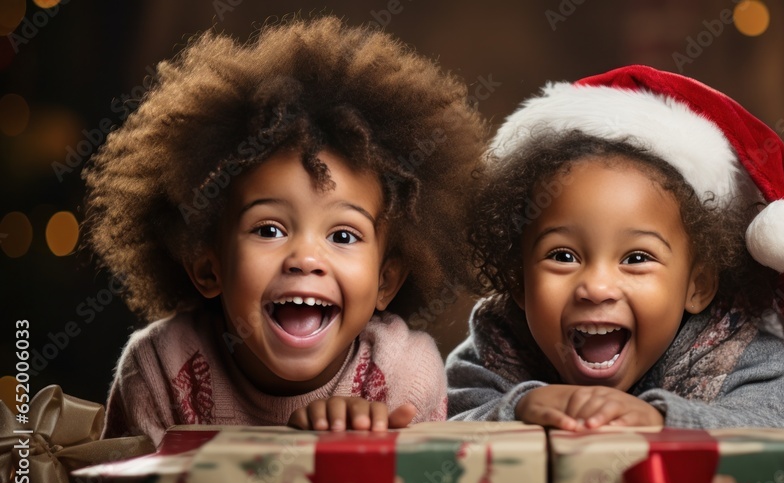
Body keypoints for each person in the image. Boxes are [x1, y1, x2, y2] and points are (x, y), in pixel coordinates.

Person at [84, 16, 487, 445]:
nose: (305, 259)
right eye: (270, 230)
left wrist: (361, 445)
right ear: (208, 268)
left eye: (343, 236)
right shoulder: (160, 367)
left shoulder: (404, 372)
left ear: (385, 280)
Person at [447, 65, 784, 430]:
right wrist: (520, 406)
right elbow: (445, 415)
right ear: (519, 280)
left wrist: (663, 418)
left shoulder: (733, 343)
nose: (596, 287)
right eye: (563, 256)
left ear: (697, 285)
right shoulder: (499, 339)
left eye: (636, 258)